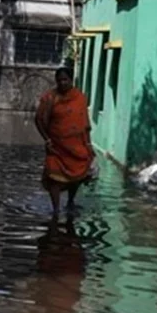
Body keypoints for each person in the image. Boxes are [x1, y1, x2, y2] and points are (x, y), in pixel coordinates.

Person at [34, 66, 96, 219]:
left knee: (77, 177)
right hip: (56, 147)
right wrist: (47, 139)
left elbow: (85, 123)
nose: (62, 83)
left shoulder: (79, 98)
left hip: (77, 147)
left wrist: (88, 145)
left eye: (65, 80)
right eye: (59, 80)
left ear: (71, 80)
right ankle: (55, 209)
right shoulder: (50, 98)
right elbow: (39, 119)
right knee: (53, 178)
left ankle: (70, 201)